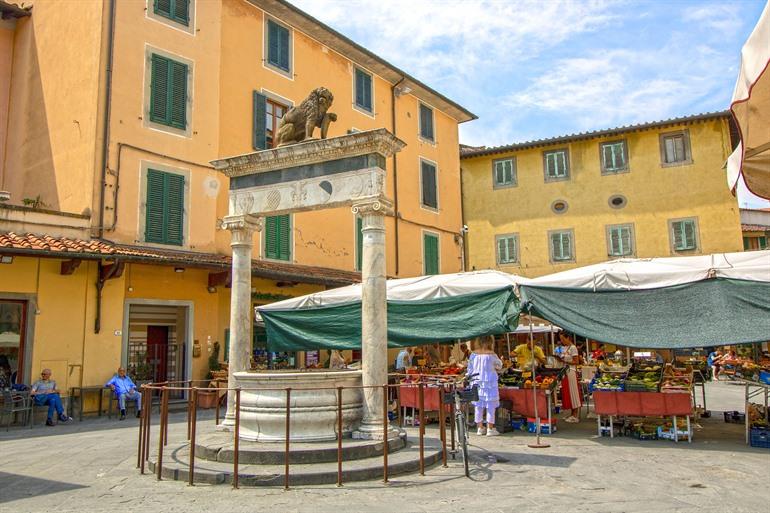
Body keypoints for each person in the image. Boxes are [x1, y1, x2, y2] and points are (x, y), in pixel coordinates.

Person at [467, 336, 503, 436]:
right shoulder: (492, 354)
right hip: (490, 381)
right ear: (490, 342)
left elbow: (469, 369)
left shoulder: (473, 354)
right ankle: (490, 429)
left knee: (478, 405)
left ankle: (479, 428)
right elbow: (499, 366)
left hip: (476, 381)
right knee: (490, 405)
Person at [558, 333, 582, 423]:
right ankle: (572, 413)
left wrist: (565, 361)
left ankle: (575, 414)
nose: (562, 341)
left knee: (573, 392)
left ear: (568, 338)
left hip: (571, 371)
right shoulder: (564, 348)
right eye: (561, 339)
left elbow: (576, 361)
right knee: (569, 393)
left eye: (563, 339)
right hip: (565, 371)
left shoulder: (573, 348)